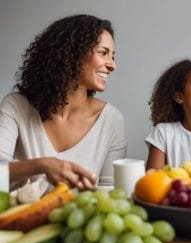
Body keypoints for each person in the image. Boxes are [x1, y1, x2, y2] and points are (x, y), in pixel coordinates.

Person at [0, 14, 127, 190]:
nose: (112, 65)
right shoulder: (16, 106)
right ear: (74, 53)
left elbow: (110, 191)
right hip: (19, 215)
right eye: (103, 53)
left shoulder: (111, 120)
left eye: (112, 56)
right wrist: (42, 165)